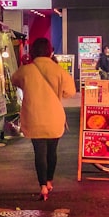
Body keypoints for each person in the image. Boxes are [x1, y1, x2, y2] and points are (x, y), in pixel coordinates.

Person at [11, 37, 76, 200]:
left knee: (39, 152)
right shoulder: (58, 70)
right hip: (54, 117)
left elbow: (14, 80)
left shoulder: (26, 70)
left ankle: (42, 187)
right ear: (50, 52)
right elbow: (70, 92)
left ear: (32, 52)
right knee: (52, 151)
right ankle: (49, 181)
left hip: (34, 117)